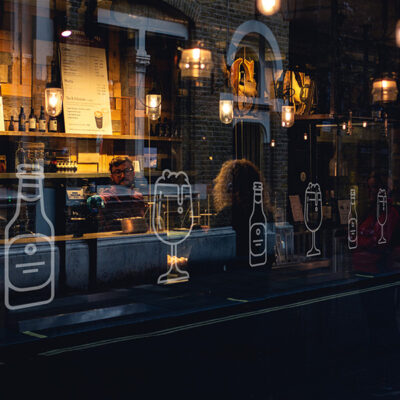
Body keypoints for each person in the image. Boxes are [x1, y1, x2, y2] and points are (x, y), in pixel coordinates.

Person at [212, 159, 274, 267]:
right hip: (261, 274)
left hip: (234, 276)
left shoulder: (227, 214)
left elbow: (214, 250)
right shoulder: (265, 214)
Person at [352, 171, 400, 274]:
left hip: (379, 271)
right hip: (361, 269)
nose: (370, 191)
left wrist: (358, 240)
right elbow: (355, 235)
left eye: (374, 187)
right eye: (368, 188)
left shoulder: (390, 213)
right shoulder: (370, 212)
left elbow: (378, 242)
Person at [94, 157, 146, 231]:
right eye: (118, 172)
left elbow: (141, 222)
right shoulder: (108, 195)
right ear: (112, 177)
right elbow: (99, 200)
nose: (123, 176)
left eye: (127, 171)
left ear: (133, 173)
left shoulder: (138, 196)